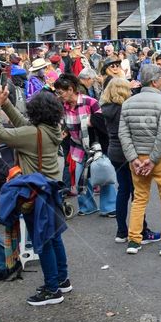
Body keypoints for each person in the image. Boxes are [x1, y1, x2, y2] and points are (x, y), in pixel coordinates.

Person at [0, 87, 72, 305]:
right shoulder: (51, 129)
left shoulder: (33, 133)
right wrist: (6, 102)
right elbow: (22, 124)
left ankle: (52, 290)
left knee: (43, 241)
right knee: (54, 237)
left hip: (36, 194)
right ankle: (62, 280)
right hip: (51, 188)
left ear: (35, 112)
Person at [118, 64, 161, 257]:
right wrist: (154, 159)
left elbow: (124, 133)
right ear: (154, 81)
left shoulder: (128, 102)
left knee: (139, 198)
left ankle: (134, 240)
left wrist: (133, 158)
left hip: (137, 157)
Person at [100, 78, 161, 247]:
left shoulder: (105, 108)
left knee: (123, 190)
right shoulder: (125, 108)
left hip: (113, 151)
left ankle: (121, 231)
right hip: (128, 152)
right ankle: (141, 230)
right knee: (138, 193)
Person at [53, 74, 115, 216]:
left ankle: (109, 208)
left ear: (70, 90)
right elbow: (67, 123)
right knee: (80, 177)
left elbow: (103, 123)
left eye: (60, 92)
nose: (58, 95)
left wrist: (91, 120)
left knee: (103, 176)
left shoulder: (90, 102)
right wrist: (65, 132)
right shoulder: (62, 106)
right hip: (77, 147)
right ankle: (88, 207)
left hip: (95, 146)